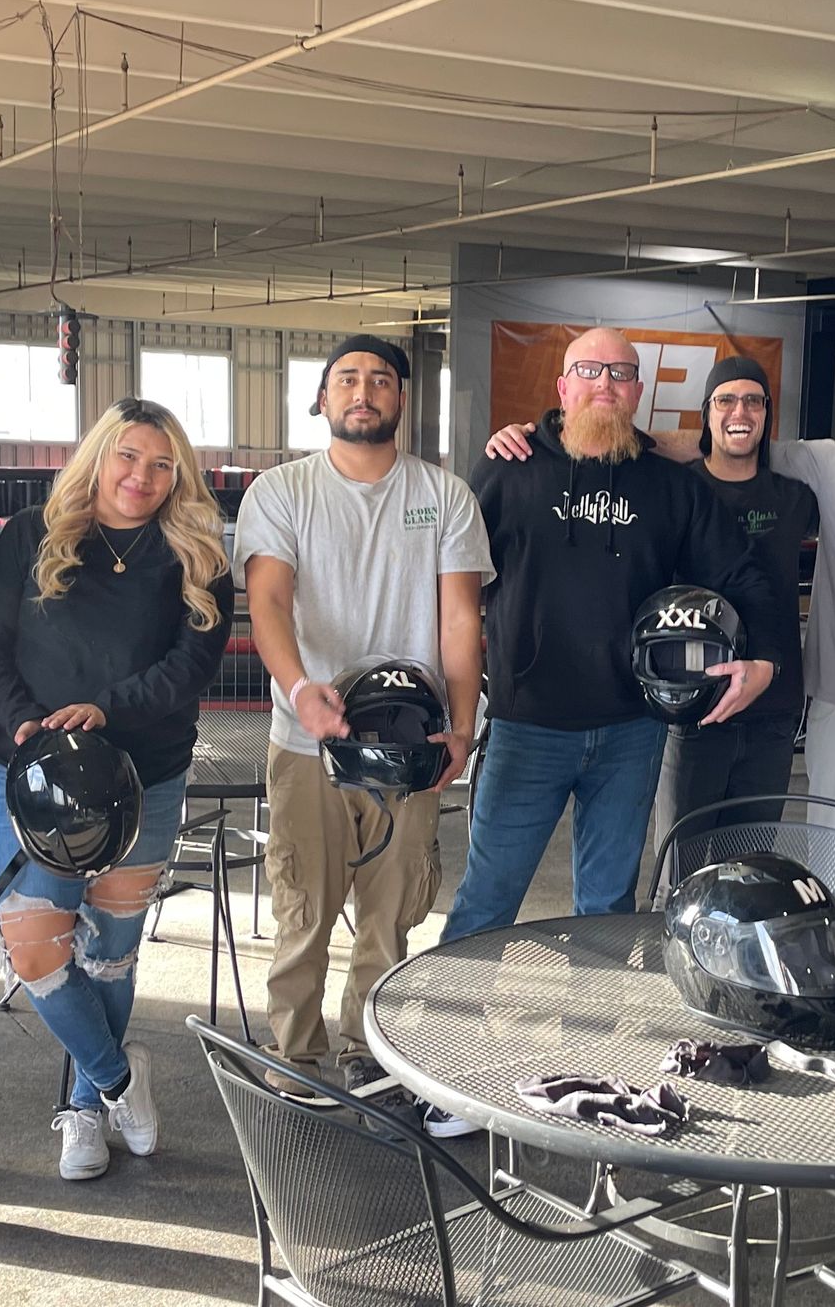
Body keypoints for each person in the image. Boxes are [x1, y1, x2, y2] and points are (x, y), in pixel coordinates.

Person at [485, 318, 835, 887]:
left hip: (803, 701)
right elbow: (698, 441)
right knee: (702, 856)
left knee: (806, 860)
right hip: (702, 698)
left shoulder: (806, 484)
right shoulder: (704, 482)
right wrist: (550, 435)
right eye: (725, 401)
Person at [447, 326, 790, 947]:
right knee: (487, 899)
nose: (605, 383)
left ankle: (595, 1011)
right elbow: (453, 586)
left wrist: (764, 655)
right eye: (589, 371)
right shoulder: (509, 470)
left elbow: (741, 572)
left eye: (621, 374)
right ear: (562, 387)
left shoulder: (671, 486)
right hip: (527, 727)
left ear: (637, 392)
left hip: (631, 730)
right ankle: (445, 1010)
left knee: (607, 908)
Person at [0, 397, 233, 1181]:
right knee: (34, 947)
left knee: (112, 951)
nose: (141, 476)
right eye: (128, 456)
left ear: (178, 475)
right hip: (36, 773)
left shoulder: (195, 556)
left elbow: (190, 668)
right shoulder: (31, 536)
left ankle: (84, 1110)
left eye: (161, 464)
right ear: (98, 457)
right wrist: (24, 720)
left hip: (143, 777)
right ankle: (118, 1078)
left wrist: (107, 709)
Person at [233, 336, 490, 1102]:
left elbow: (460, 619)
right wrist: (299, 686)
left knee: (390, 913)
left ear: (402, 399)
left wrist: (463, 726)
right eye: (347, 378)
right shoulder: (281, 492)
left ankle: (368, 1051)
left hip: (411, 743)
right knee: (303, 910)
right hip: (309, 739)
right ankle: (295, 1056)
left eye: (381, 379)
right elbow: (268, 598)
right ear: (322, 399)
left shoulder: (445, 495)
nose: (364, 390)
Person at [651, 355, 816, 862]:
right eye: (726, 400)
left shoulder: (796, 498)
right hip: (693, 706)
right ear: (707, 412)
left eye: (752, 401)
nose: (739, 412)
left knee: (750, 869)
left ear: (767, 414)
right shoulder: (674, 491)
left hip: (774, 710)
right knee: (681, 865)